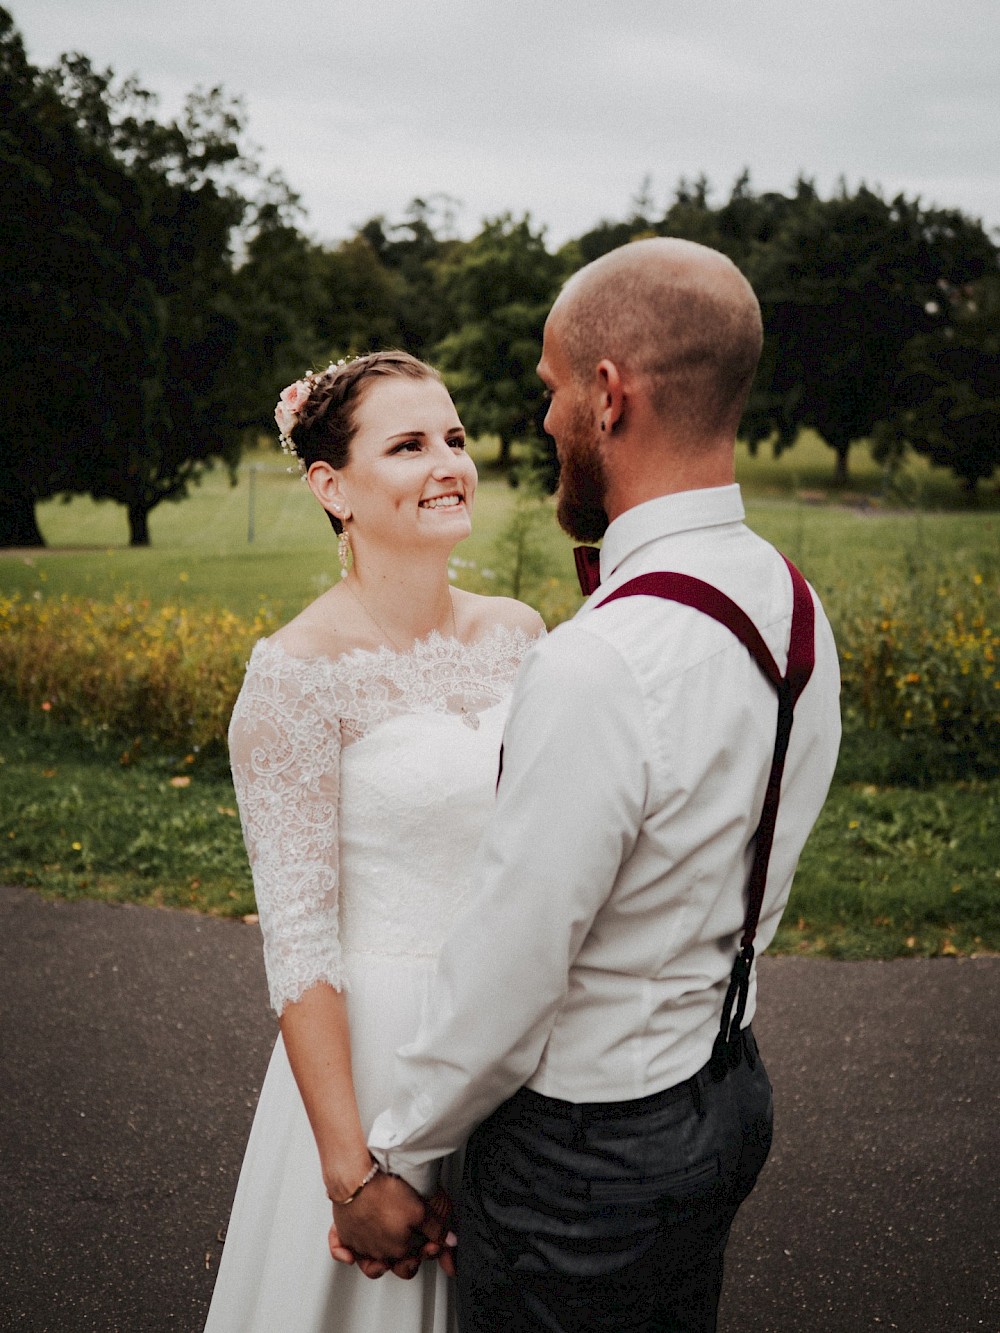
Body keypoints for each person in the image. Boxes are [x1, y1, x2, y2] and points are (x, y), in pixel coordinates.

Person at [331, 239, 843, 1332]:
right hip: (724, 1092)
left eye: (553, 388)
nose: (545, 418)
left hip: (583, 1155)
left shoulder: (599, 660)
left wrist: (400, 1157)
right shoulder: (794, 605)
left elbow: (511, 970)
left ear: (610, 396)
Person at [203, 350, 544, 1333]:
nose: (448, 463)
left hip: (526, 1058)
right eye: (407, 445)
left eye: (454, 437)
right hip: (382, 1069)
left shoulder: (520, 635)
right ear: (331, 486)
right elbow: (299, 940)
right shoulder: (296, 675)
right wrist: (353, 1173)